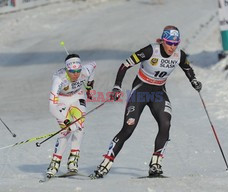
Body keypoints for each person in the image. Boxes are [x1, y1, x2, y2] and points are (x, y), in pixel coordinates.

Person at [89, 25, 202, 179]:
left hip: (158, 94)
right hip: (141, 91)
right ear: (163, 41)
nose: (172, 47)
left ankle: (155, 164)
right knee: (128, 128)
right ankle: (105, 164)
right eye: (169, 43)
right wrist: (117, 86)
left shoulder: (179, 55)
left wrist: (194, 80)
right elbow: (125, 65)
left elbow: (187, 67)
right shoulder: (150, 50)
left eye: (176, 44)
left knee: (166, 123)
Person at [46, 53, 96, 178]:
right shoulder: (59, 79)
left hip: (77, 97)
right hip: (61, 101)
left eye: (78, 71)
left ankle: (73, 160)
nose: (76, 74)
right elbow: (52, 107)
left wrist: (89, 87)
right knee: (67, 130)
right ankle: (55, 163)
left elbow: (94, 66)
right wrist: (66, 121)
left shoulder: (84, 70)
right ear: (67, 69)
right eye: (72, 72)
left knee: (79, 126)